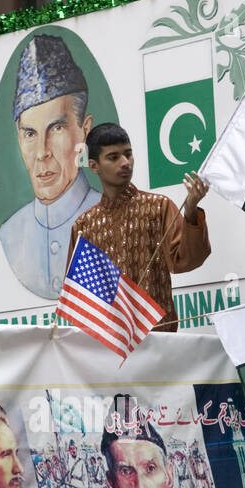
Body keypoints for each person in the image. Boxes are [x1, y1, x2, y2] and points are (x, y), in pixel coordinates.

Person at [68, 123, 211, 332]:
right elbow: (79, 299)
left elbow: (187, 260)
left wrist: (190, 211)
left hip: (158, 343)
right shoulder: (84, 226)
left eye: (128, 154)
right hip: (108, 349)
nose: (125, 163)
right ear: (93, 165)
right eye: (113, 157)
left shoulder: (157, 207)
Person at [0, 35, 101, 299]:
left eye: (56, 128)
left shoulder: (115, 220)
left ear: (84, 130)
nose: (42, 152)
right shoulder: (7, 237)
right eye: (30, 134)